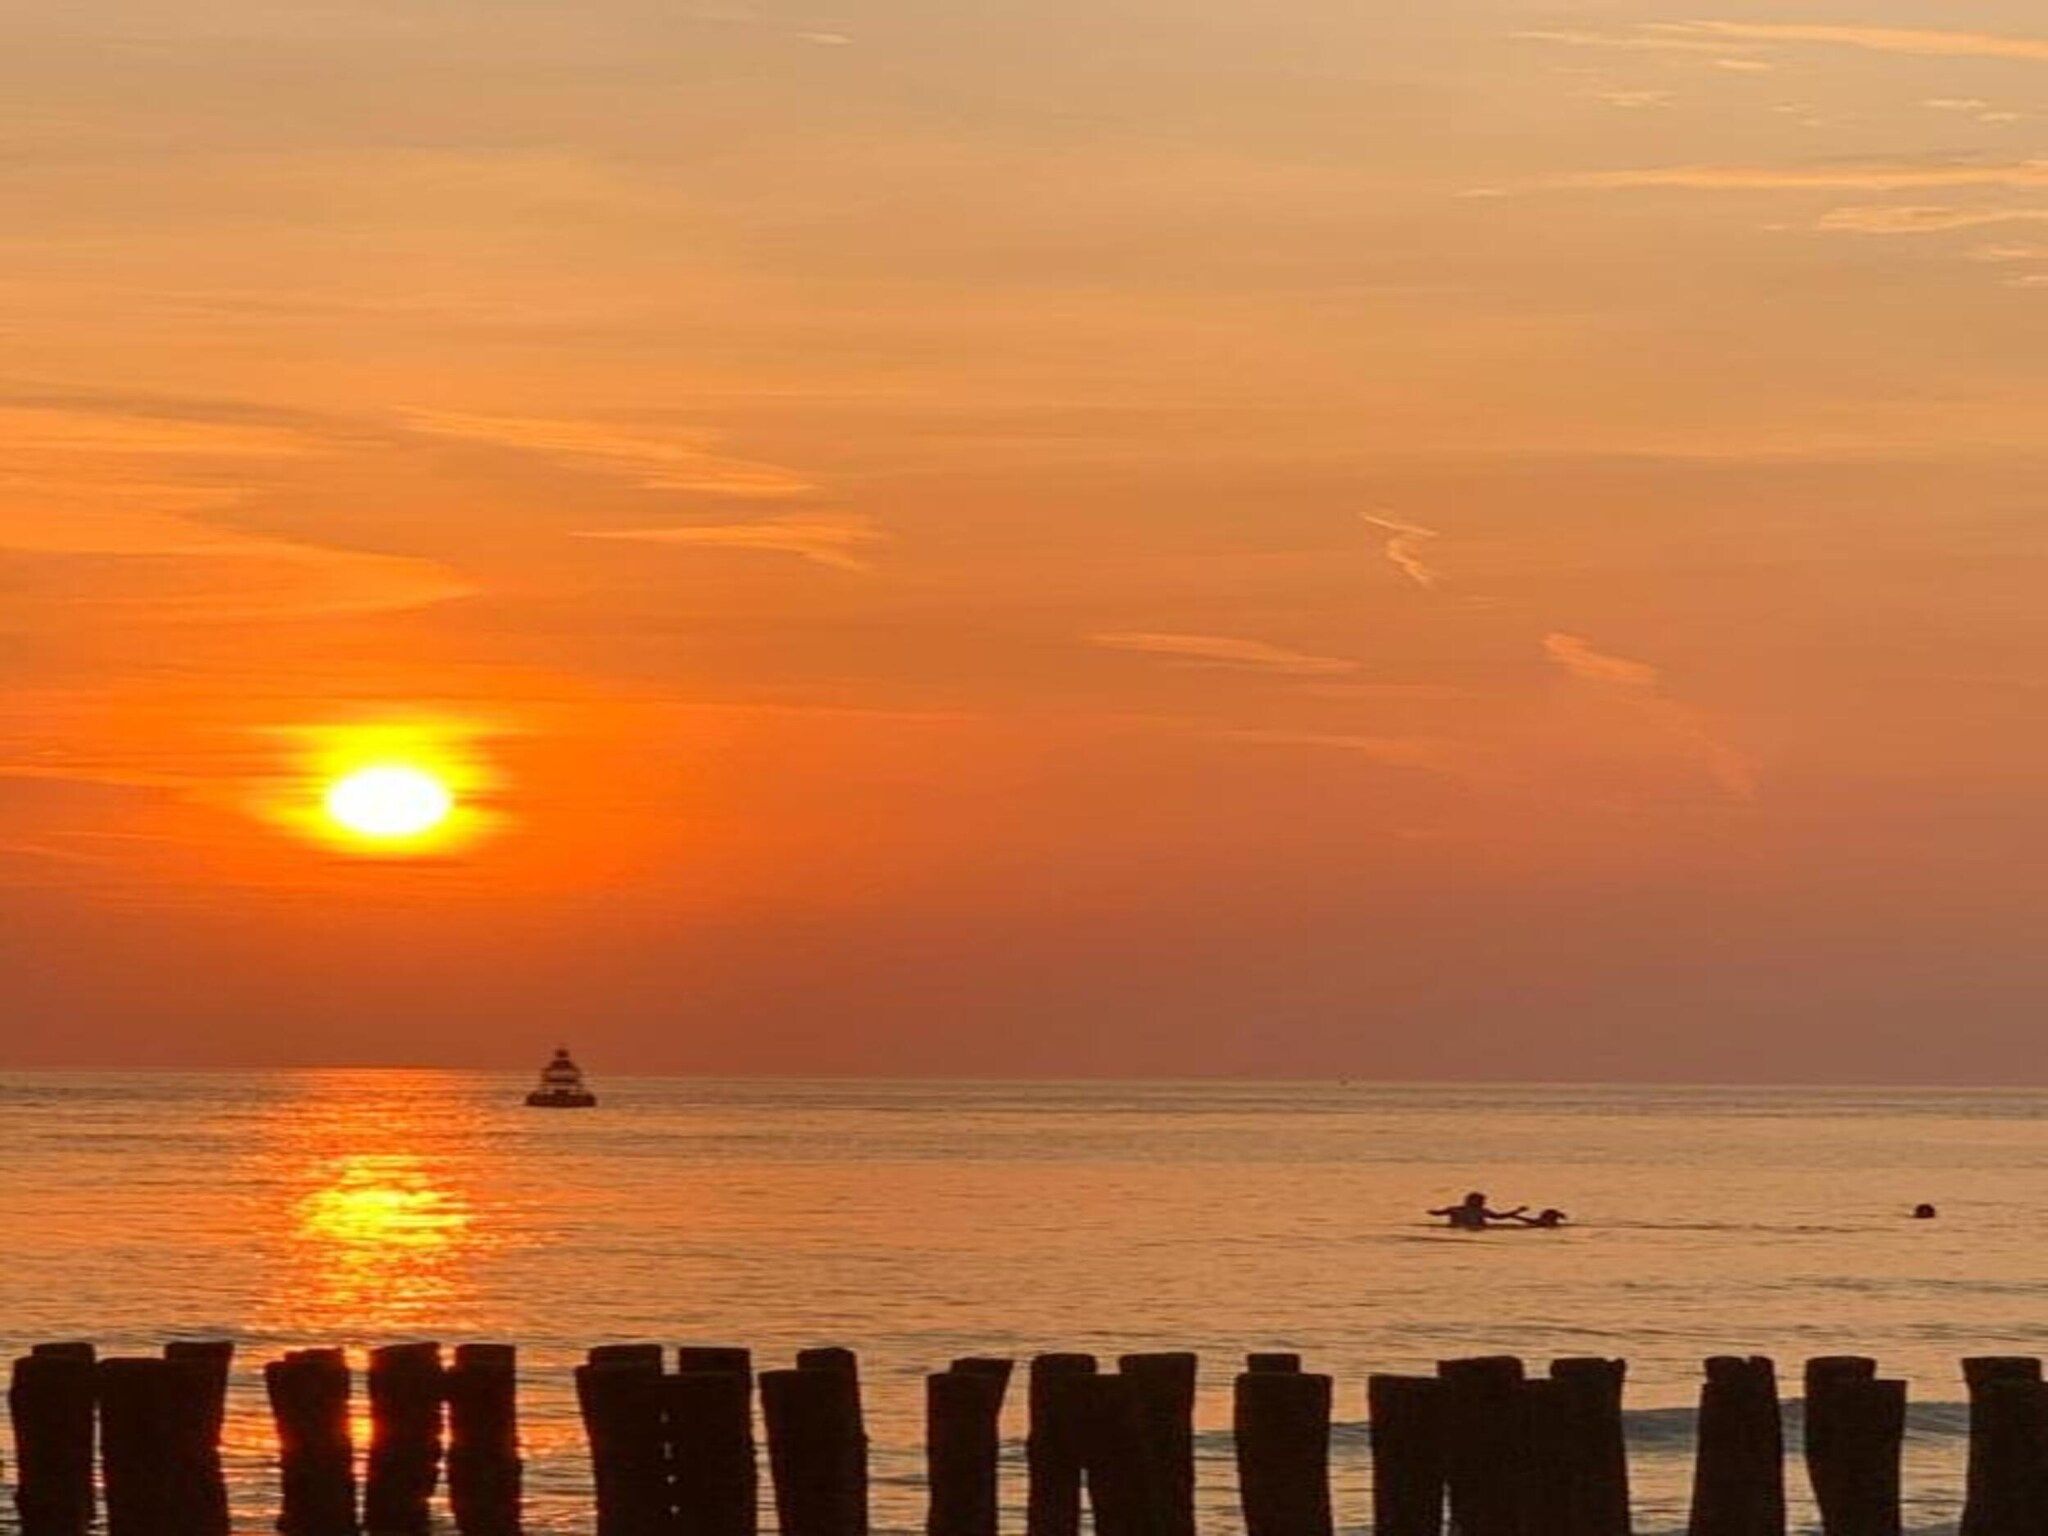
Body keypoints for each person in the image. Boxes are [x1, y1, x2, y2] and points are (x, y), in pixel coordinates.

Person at [1428, 1191, 1526, 1230]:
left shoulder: (1482, 1211)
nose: (1483, 1203)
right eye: (1481, 1201)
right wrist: (1433, 1212)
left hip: (1473, 1227)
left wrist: (1517, 1212)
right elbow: (1499, 1217)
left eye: (1482, 1201)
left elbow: (1498, 1217)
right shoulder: (1455, 1210)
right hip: (1462, 1227)